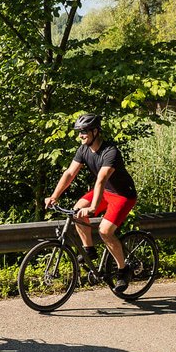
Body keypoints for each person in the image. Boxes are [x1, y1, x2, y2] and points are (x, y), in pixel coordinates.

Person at [44, 113, 138, 292]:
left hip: (123, 195)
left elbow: (101, 179)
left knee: (105, 231)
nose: (80, 135)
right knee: (76, 210)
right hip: (104, 192)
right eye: (79, 132)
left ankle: (123, 270)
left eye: (84, 131)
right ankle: (89, 250)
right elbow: (69, 173)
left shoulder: (110, 152)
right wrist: (54, 196)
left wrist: (93, 208)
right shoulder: (83, 149)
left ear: (95, 132)